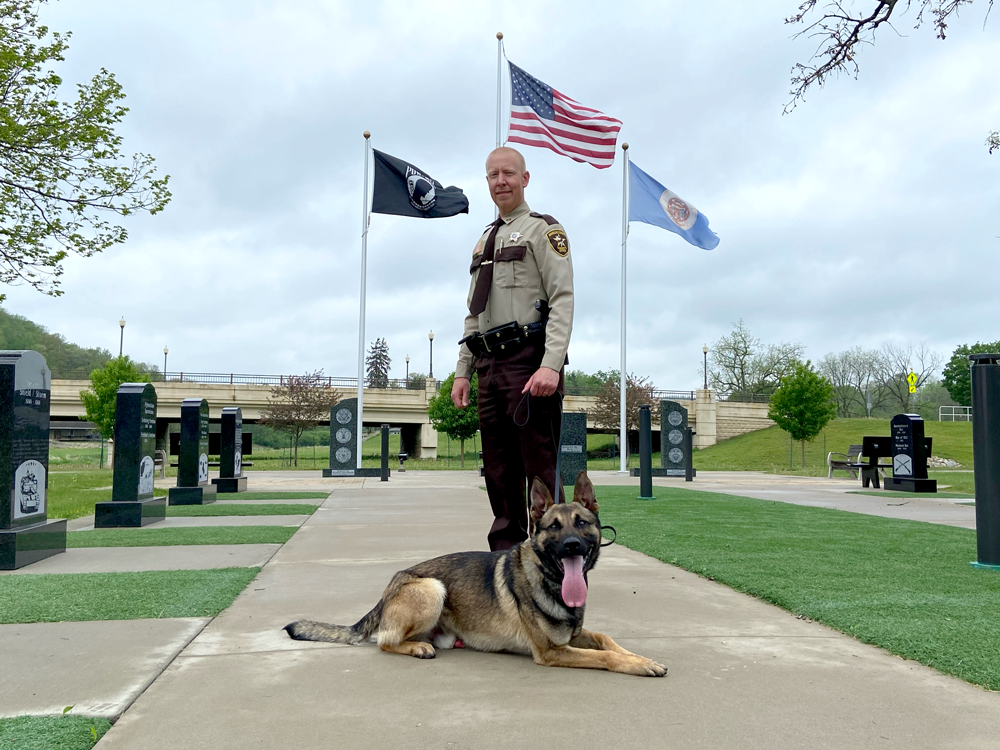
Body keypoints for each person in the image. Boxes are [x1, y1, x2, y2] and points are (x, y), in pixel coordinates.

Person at [451, 147, 574, 551]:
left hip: (528, 362)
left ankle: (558, 556)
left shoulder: (544, 230)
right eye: (492, 175)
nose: (499, 181)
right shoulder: (484, 240)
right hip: (489, 365)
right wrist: (463, 370)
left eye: (507, 173)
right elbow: (475, 311)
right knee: (499, 470)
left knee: (538, 467)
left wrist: (551, 364)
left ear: (525, 178)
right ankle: (506, 557)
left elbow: (563, 299)